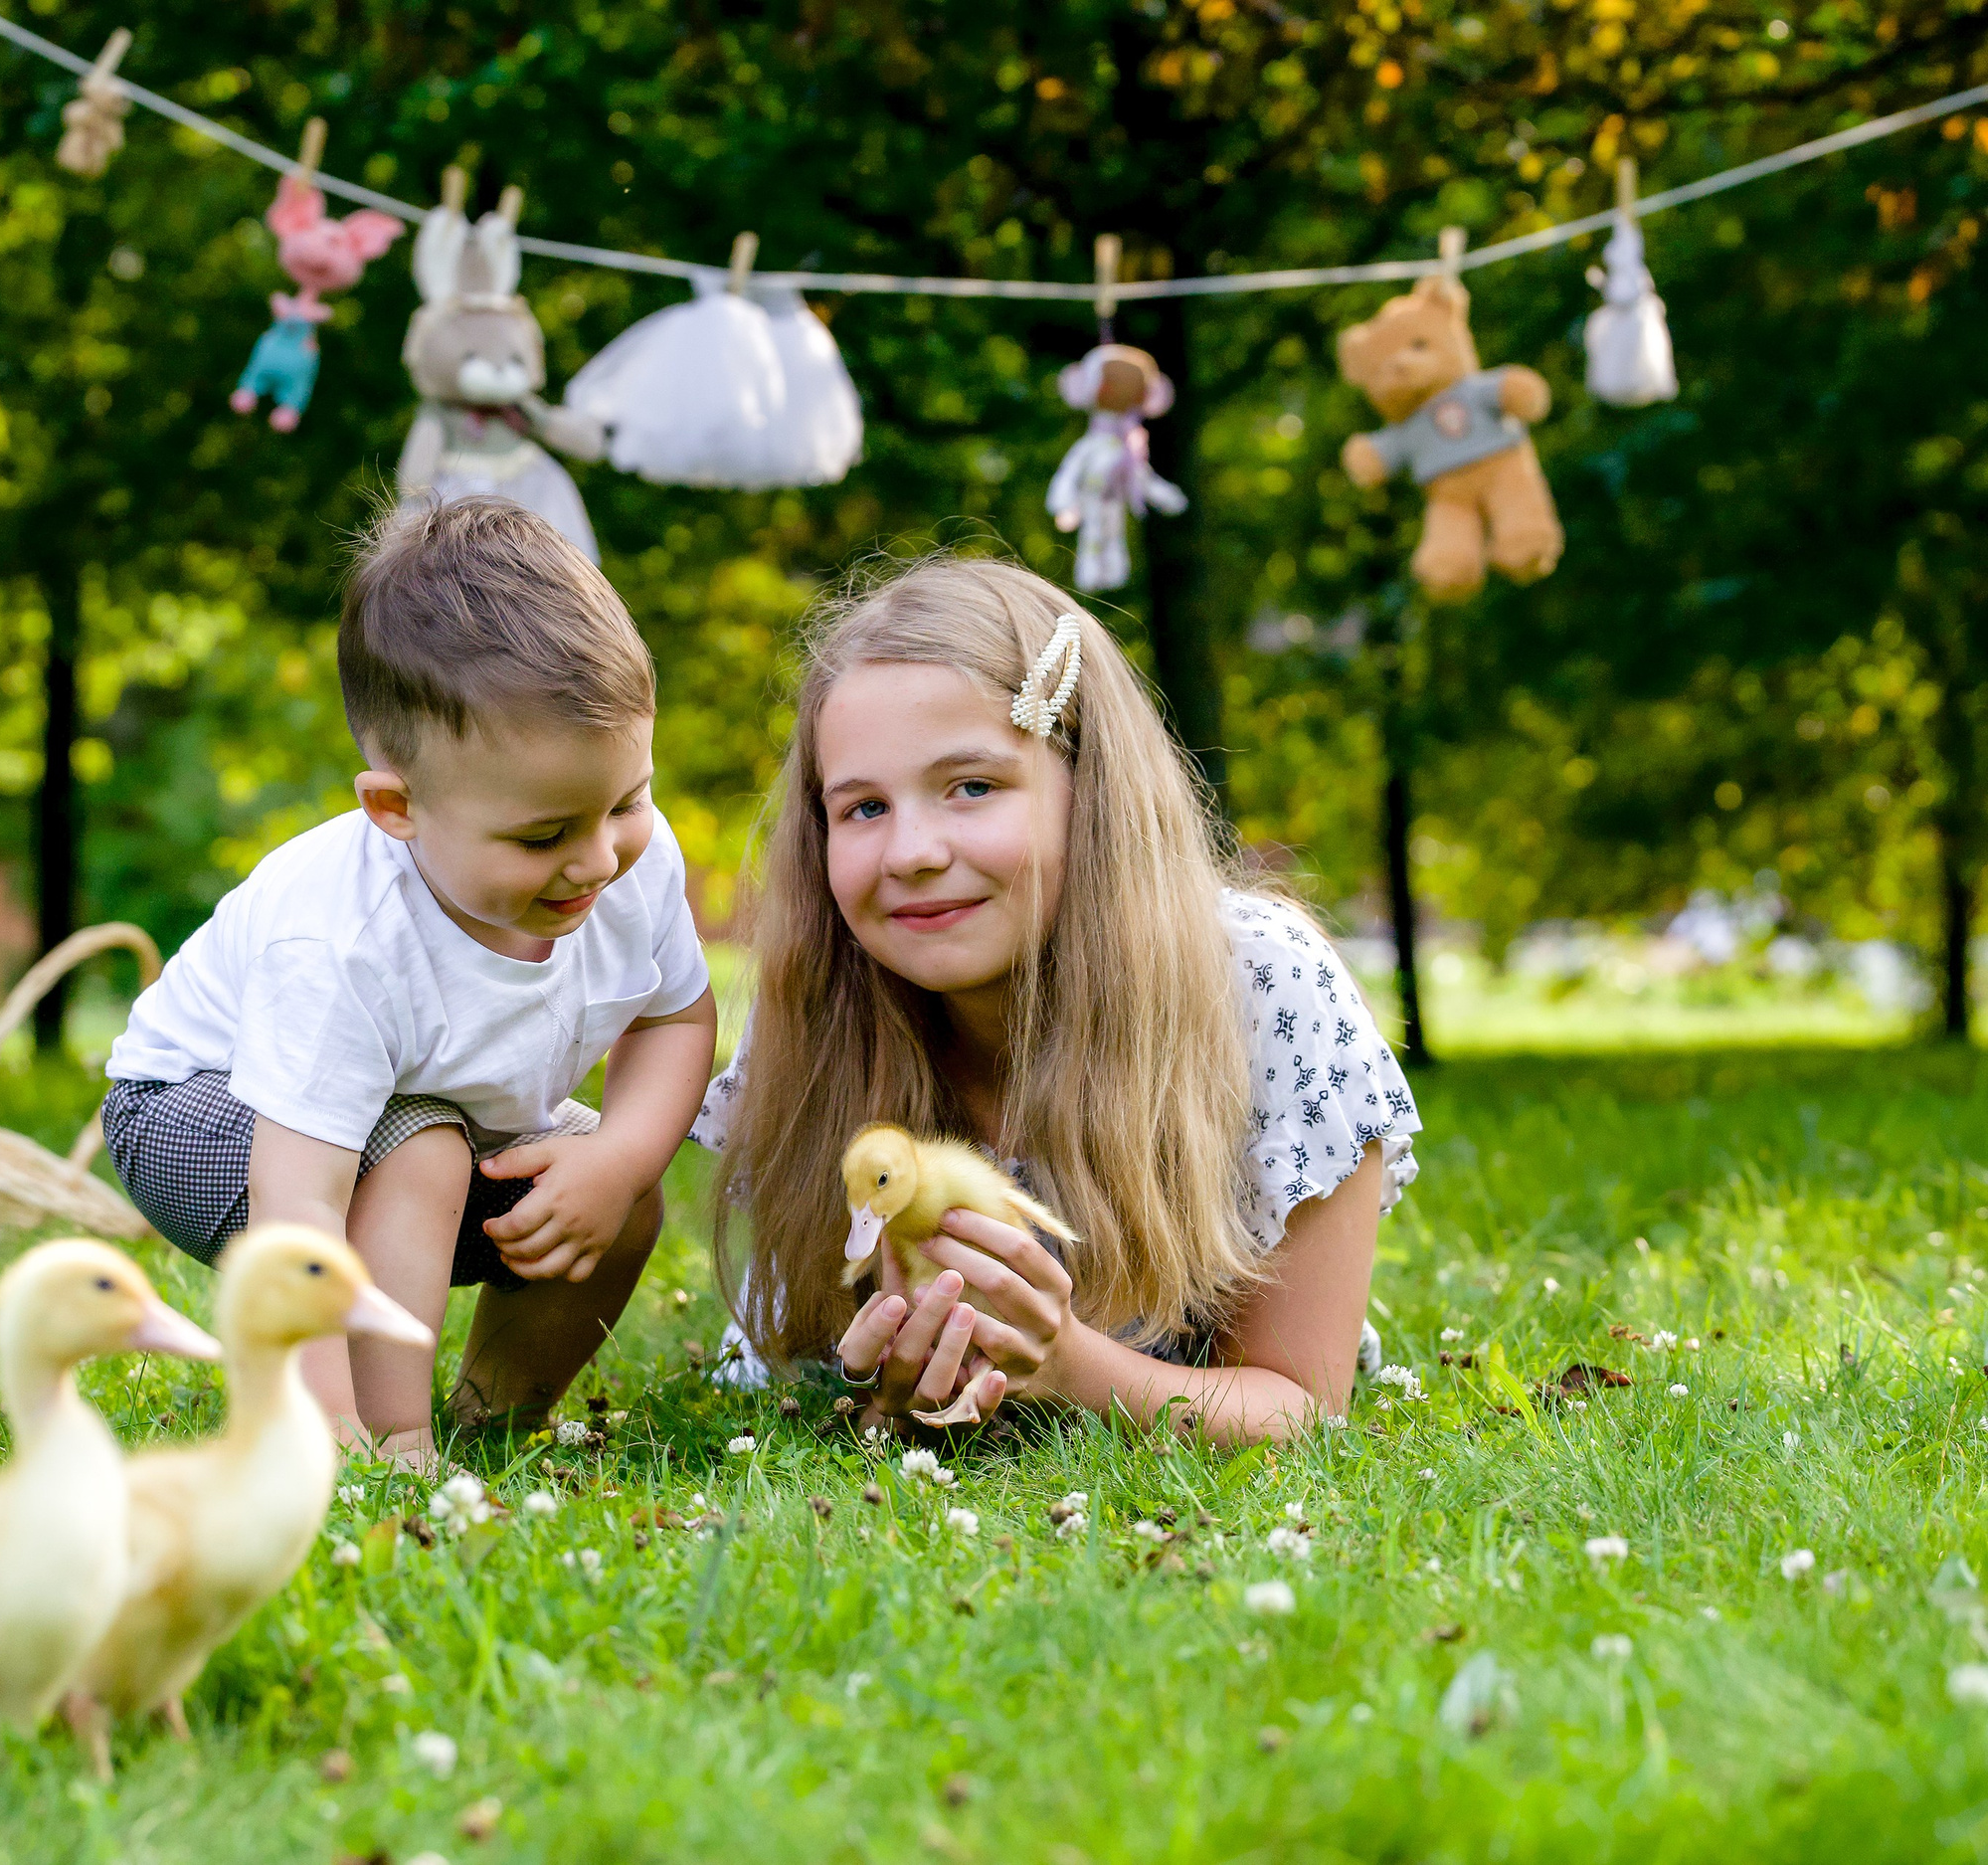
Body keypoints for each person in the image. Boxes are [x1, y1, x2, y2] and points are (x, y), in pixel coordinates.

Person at [692, 556, 1419, 1444]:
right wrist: (879, 1394)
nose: (912, 851)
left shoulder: (1260, 985)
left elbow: (1301, 1406)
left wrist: (1067, 1365)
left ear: (1092, 792)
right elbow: (795, 1369)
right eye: (865, 808)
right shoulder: (822, 994)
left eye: (972, 786)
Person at [102, 497, 717, 1467]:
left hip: (422, 1124)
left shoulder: (628, 865)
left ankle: (497, 1416)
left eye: (626, 802)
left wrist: (622, 1158)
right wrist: (322, 1418)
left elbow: (674, 1019)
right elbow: (297, 1207)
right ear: (397, 808)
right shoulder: (340, 939)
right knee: (420, 1145)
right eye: (543, 835)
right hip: (203, 1117)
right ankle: (379, 1445)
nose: (599, 858)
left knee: (616, 1184)